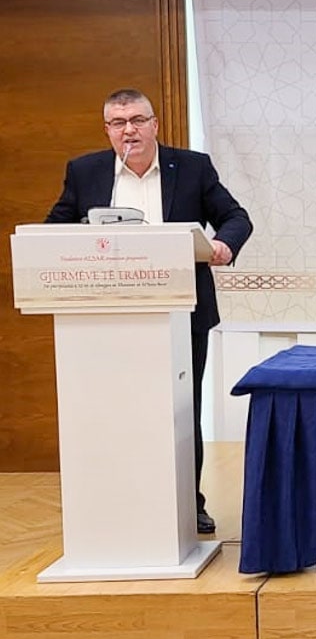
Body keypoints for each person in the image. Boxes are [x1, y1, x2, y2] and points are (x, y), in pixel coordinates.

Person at [46, 88, 253, 536]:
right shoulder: (85, 171)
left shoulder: (192, 167)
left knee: (181, 410)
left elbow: (237, 217)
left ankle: (188, 503)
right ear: (107, 130)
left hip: (182, 315)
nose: (129, 131)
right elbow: (53, 230)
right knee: (115, 410)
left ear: (155, 125)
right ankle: (116, 502)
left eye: (138, 120)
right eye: (118, 123)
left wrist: (223, 244)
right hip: (106, 318)